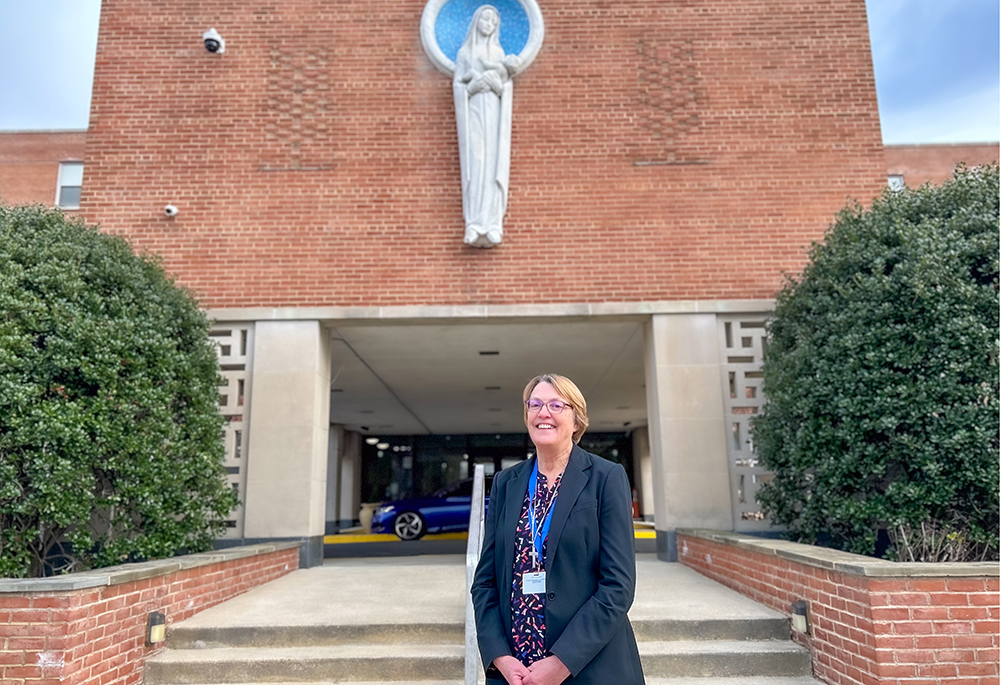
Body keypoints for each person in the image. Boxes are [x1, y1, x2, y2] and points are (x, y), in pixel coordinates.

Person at [472, 374, 646, 684]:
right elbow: (485, 581)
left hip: (588, 665)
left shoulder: (606, 477)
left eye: (556, 405)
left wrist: (562, 662)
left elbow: (618, 585)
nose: (543, 413)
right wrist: (499, 656)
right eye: (534, 404)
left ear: (576, 420)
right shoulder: (505, 483)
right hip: (516, 670)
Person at [453, 5, 521, 248]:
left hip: (493, 112)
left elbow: (506, 86)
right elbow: (458, 86)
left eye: (493, 21)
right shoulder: (464, 54)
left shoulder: (498, 53)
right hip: (473, 113)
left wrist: (495, 85)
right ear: (476, 20)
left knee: (492, 162)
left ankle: (493, 222)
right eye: (485, 18)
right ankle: (473, 222)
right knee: (477, 160)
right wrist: (472, 88)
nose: (489, 24)